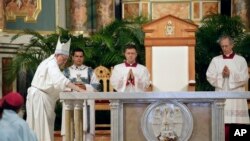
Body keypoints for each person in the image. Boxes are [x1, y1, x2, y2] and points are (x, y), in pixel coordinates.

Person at [26, 38, 86, 141]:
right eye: (63, 59)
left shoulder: (51, 62)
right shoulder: (51, 63)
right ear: (57, 55)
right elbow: (60, 80)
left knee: (43, 129)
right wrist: (78, 89)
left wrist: (68, 89)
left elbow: (54, 83)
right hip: (40, 99)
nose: (64, 61)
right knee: (40, 130)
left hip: (42, 98)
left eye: (66, 59)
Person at [206, 35, 249, 141]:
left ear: (232, 45)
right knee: (223, 121)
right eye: (222, 46)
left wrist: (231, 74)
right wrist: (221, 75)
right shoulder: (215, 60)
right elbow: (209, 76)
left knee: (238, 124)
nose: (224, 48)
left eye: (226, 46)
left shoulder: (241, 60)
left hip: (237, 97)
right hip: (222, 95)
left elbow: (245, 77)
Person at [61, 48, 101, 141]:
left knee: (86, 130)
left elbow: (98, 86)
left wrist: (85, 87)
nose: (79, 58)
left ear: (83, 58)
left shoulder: (89, 71)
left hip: (86, 104)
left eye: (81, 56)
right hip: (71, 103)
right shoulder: (66, 71)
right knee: (70, 127)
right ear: (73, 57)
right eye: (76, 56)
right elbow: (61, 86)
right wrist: (73, 87)